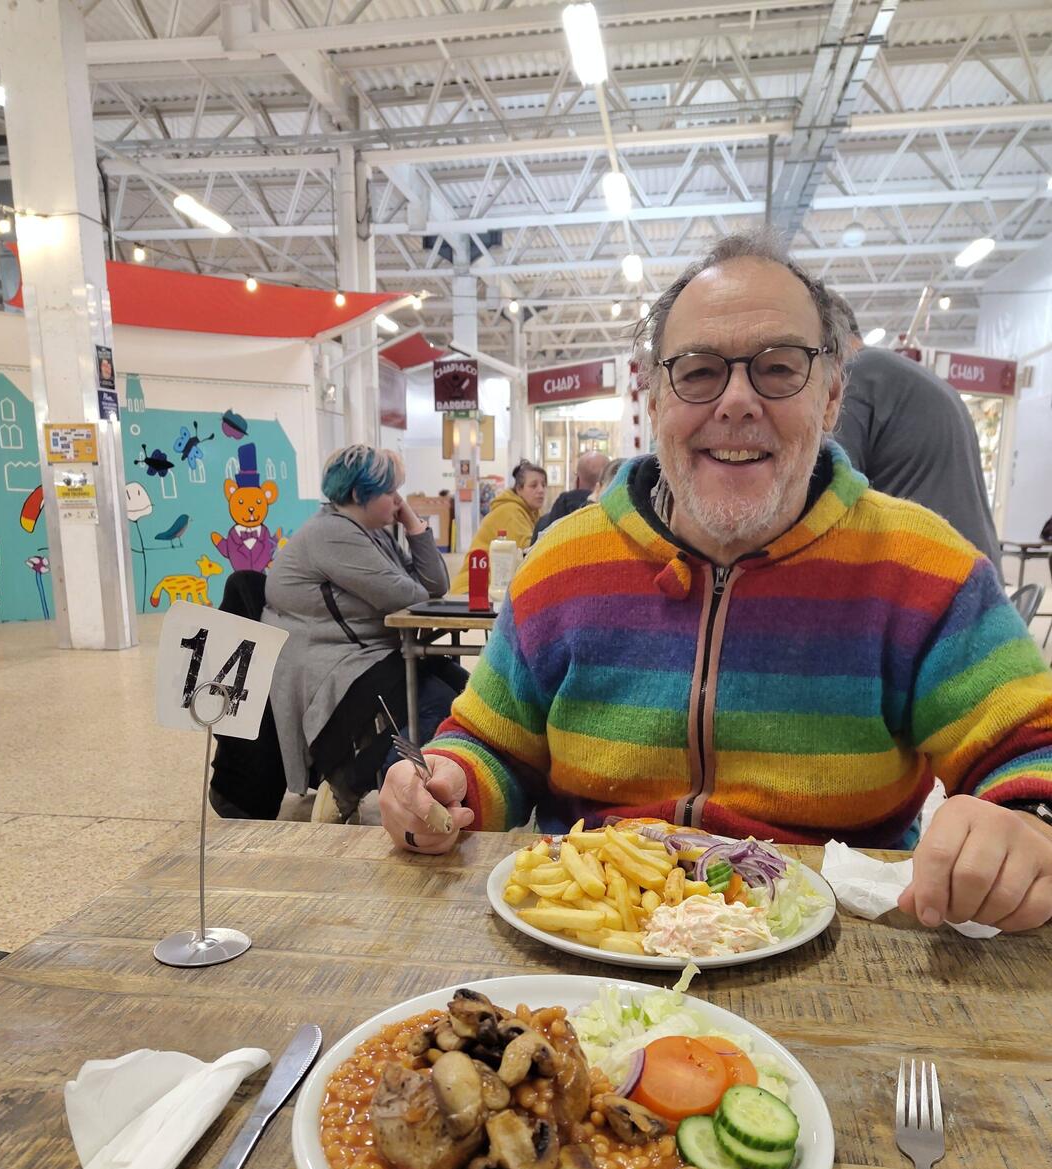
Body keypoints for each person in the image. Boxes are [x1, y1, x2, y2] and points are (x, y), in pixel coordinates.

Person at [379, 229, 1052, 933]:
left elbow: (1033, 749)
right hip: (587, 949)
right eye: (698, 372)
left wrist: (1027, 826)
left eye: (779, 367)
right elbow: (492, 743)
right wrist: (445, 782)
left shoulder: (922, 570)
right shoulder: (560, 564)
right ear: (654, 401)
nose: (736, 401)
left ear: (829, 398)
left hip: (841, 953)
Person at [264, 445, 467, 822]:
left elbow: (435, 584)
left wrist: (412, 524)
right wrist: (413, 569)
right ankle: (356, 784)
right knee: (437, 705)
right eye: (391, 492)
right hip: (333, 664)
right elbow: (409, 595)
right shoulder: (332, 533)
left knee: (468, 693)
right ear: (360, 495)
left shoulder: (373, 531)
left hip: (372, 651)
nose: (398, 500)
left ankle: (396, 779)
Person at [830, 293, 1002, 575]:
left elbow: (832, 495)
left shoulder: (854, 376)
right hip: (976, 573)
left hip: (932, 578)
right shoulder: (909, 376)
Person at [450, 461, 547, 593]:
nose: (541, 490)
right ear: (519, 489)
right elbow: (529, 551)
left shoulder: (531, 512)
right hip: (473, 591)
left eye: (543, 485)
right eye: (533, 485)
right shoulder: (511, 511)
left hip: (491, 589)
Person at [531, 449, 609, 542]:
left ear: (577, 481)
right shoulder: (614, 522)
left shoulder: (544, 524)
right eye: (533, 485)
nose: (540, 490)